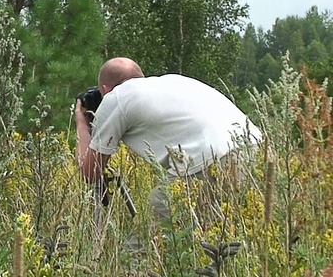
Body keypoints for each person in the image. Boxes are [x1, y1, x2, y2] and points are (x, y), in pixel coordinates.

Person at [75, 57, 262, 250]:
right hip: (253, 149)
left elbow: (90, 172)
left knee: (140, 249)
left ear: (105, 89)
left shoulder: (117, 97)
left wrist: (81, 123)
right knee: (210, 244)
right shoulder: (174, 81)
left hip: (204, 161)